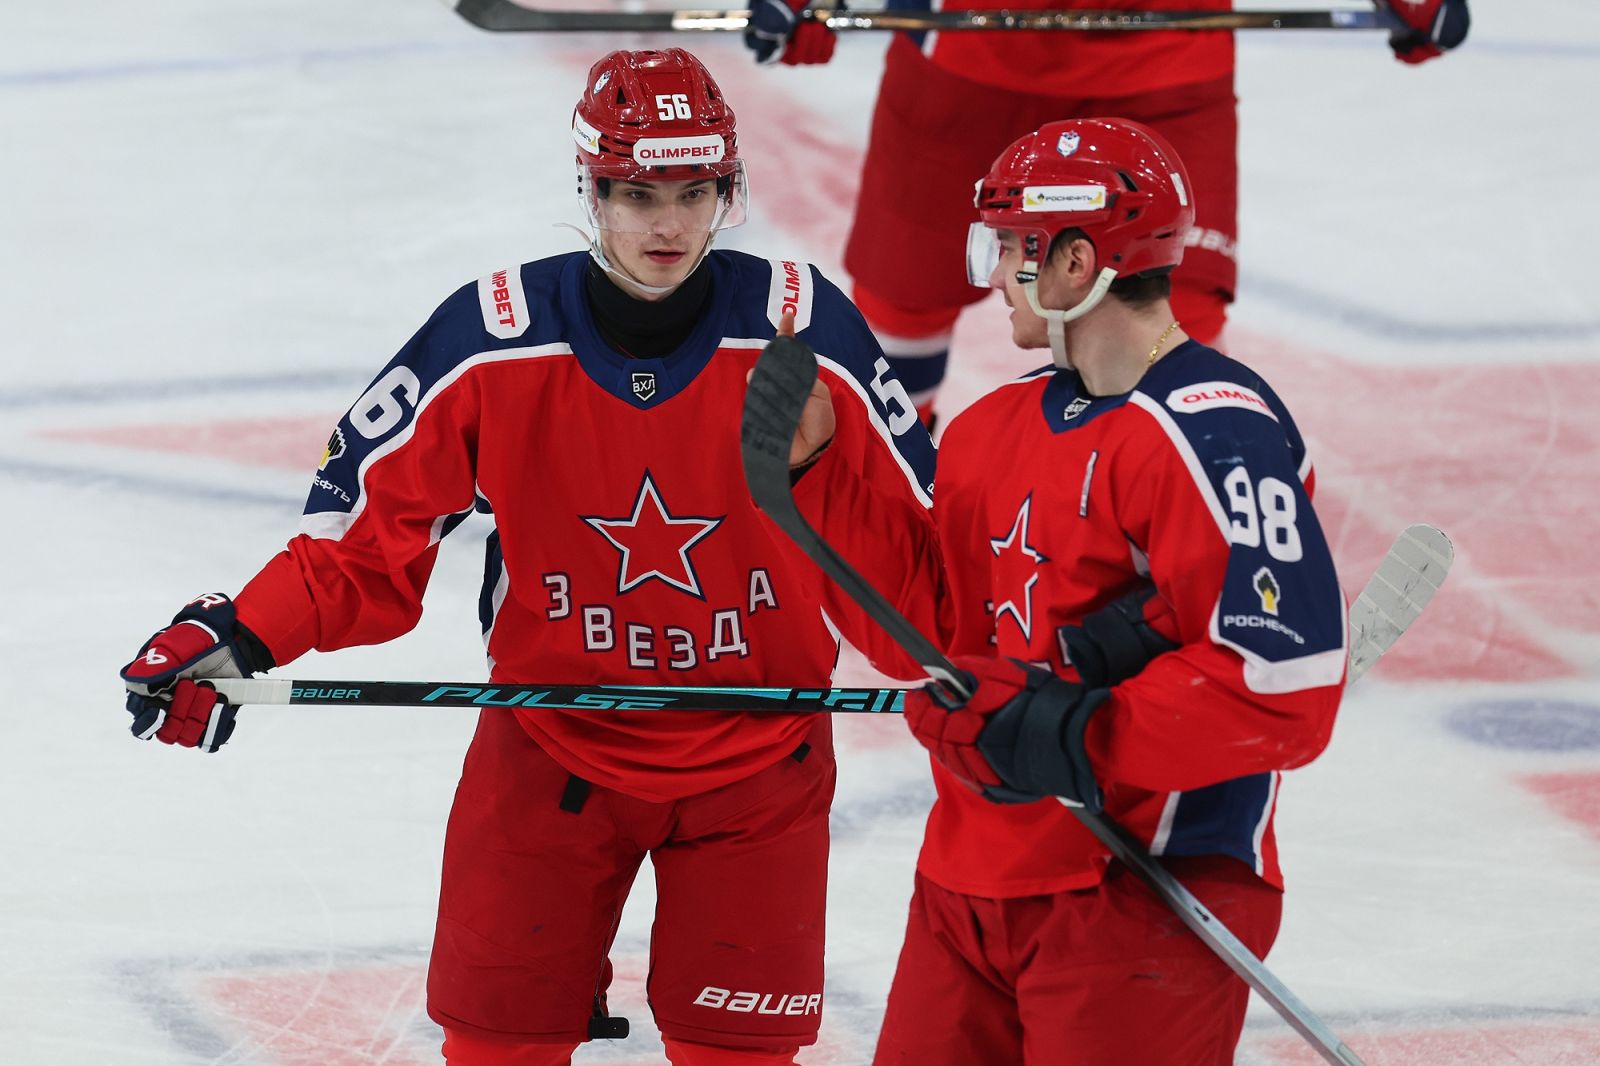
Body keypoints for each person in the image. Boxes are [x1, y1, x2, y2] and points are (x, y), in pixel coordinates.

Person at [119, 47, 939, 1066]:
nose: (669, 226)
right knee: (496, 1049)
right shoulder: (489, 339)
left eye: (694, 193)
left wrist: (818, 479)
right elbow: (365, 547)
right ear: (590, 189)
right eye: (637, 194)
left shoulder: (805, 332)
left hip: (759, 764)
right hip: (550, 750)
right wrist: (241, 632)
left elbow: (920, 608)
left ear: (729, 190)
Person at [863, 118, 1351, 1063]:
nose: (995, 275)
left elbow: (1283, 685)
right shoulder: (989, 427)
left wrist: (1086, 732)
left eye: (1013, 246)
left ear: (1077, 261)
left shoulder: (1216, 430)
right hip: (971, 874)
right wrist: (814, 478)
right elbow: (933, 640)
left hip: (1142, 888)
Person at [746, 0, 1470, 423]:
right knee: (906, 297)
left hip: (1169, 53)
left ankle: (1144, 528)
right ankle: (890, 497)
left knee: (1173, 311)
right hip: (970, 47)